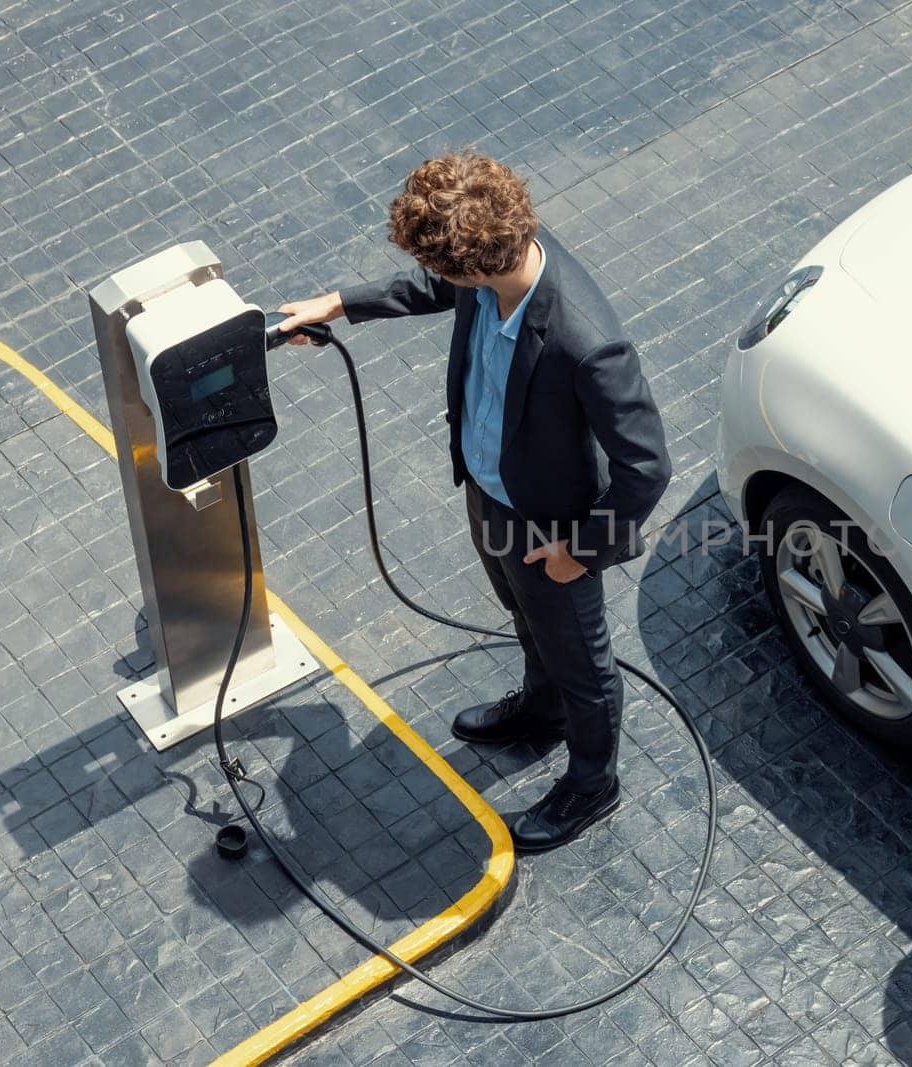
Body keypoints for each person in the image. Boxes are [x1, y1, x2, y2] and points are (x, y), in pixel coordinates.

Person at [278, 153, 671, 851]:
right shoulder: (494, 256)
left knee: (584, 663)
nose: (447, 284)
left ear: (477, 266)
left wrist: (578, 554)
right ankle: (541, 713)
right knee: (524, 617)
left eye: (452, 274)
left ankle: (592, 784)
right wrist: (339, 304)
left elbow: (646, 466)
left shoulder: (589, 343)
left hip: (553, 528)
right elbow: (434, 287)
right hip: (491, 492)